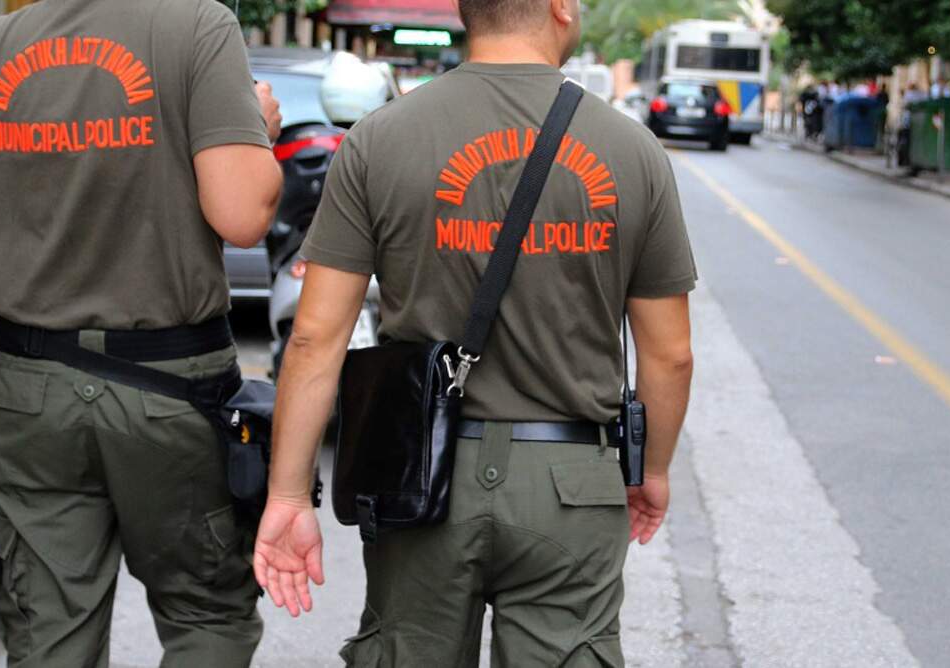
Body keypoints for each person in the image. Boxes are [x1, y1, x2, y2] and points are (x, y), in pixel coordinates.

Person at [253, 0, 695, 665]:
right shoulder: (632, 150)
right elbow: (671, 355)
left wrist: (289, 494)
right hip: (570, 485)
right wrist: (650, 468)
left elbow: (316, 339)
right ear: (560, 7)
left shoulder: (379, 138)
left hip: (422, 474)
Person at [0, 1, 283, 666]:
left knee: (48, 629)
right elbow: (243, 215)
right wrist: (257, 134)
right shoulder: (196, 26)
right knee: (205, 611)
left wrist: (25, 194)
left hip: (31, 387)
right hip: (169, 384)